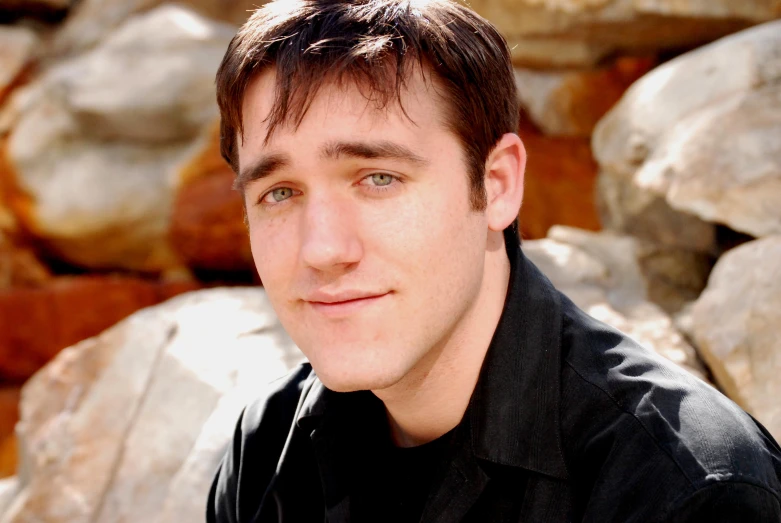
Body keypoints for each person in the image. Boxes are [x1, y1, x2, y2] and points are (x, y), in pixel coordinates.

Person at [205, 0, 781, 521]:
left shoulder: (686, 491)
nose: (323, 250)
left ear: (498, 184)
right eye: (279, 192)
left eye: (378, 178)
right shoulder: (267, 449)